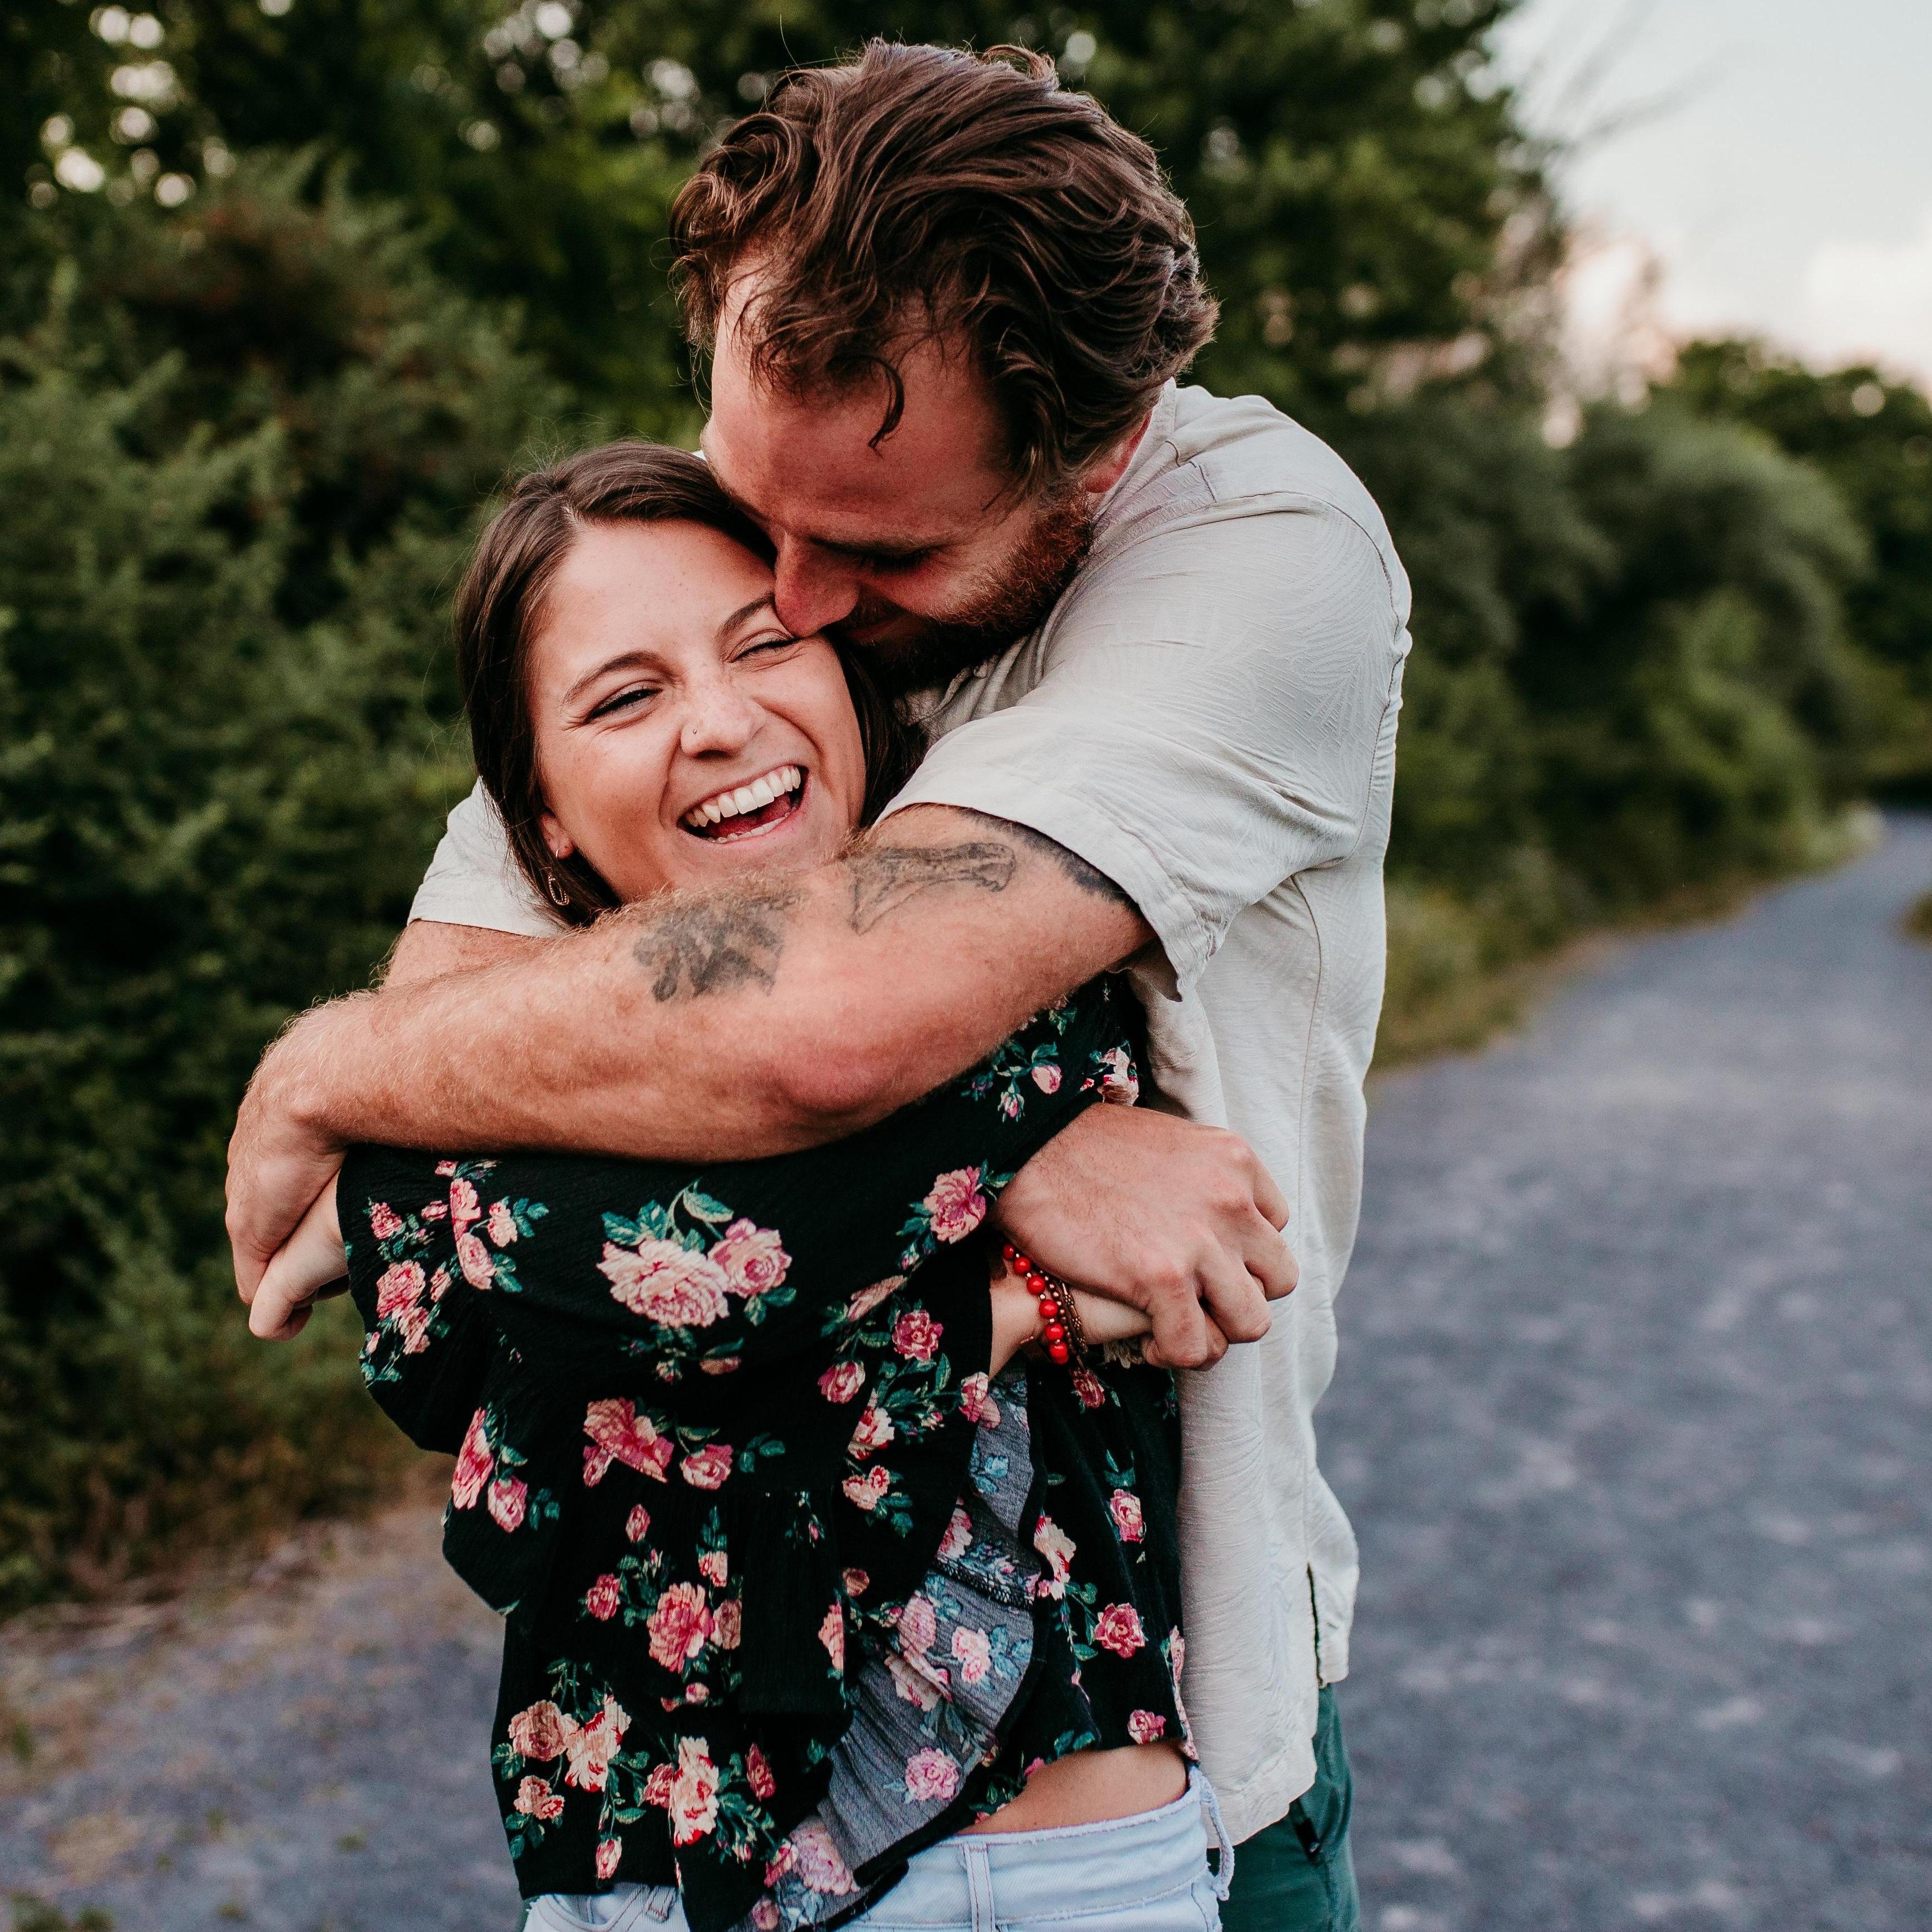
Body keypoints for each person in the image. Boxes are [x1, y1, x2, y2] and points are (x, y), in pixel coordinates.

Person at [229, 42, 1409, 1932]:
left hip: (1175, 1750)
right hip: (651, 1841)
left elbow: (804, 1032)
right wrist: (1021, 1174)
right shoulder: (747, 559)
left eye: (861, 561)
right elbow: (435, 1156)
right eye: (742, 502)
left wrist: (338, 1070)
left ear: (1094, 457)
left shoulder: (1264, 554)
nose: (788, 600)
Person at [248, 442, 1221, 1932]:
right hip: (639, 1881)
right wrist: (1001, 1301)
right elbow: (505, 1352)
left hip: (1033, 1873)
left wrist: (399, 1198)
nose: (720, 721)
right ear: (547, 822)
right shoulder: (510, 1056)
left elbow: (667, 1287)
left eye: (766, 644)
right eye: (624, 699)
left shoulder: (987, 948)